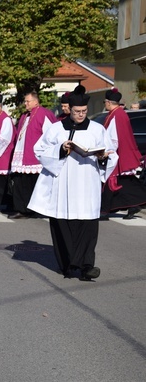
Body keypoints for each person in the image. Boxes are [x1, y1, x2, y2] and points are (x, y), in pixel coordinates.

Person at [28, 91, 117, 280]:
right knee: (63, 224)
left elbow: (111, 153)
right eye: (77, 111)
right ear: (69, 110)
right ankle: (68, 264)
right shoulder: (56, 129)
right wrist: (60, 149)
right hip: (63, 184)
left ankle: (86, 266)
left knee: (88, 225)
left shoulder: (97, 129)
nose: (81, 114)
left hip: (88, 183)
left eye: (84, 111)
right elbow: (39, 150)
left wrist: (103, 158)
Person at [7, 92, 58, 219]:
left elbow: (51, 135)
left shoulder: (43, 114)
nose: (25, 104)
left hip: (34, 157)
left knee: (34, 184)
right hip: (21, 155)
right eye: (25, 101)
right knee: (20, 182)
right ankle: (21, 209)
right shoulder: (25, 115)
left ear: (36, 101)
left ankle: (36, 209)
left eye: (28, 101)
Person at [100, 87, 146, 219]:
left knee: (112, 181)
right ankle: (132, 206)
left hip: (117, 154)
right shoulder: (117, 113)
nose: (105, 105)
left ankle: (105, 209)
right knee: (126, 184)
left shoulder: (117, 115)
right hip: (120, 153)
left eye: (105, 102)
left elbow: (113, 137)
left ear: (109, 102)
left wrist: (107, 151)